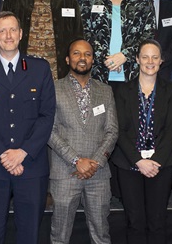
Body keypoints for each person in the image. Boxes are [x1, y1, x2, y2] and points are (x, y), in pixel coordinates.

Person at [0, 11, 56, 244]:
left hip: (31, 164)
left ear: (21, 34)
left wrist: (22, 152)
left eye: (12, 30)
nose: (8, 35)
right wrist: (4, 155)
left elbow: (47, 115)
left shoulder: (40, 69)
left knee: (29, 234)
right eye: (2, 30)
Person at [48, 39, 118, 244]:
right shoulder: (54, 88)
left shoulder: (105, 91)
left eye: (87, 54)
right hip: (64, 172)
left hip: (99, 174)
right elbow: (49, 131)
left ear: (93, 60)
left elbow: (112, 131)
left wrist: (94, 162)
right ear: (68, 59)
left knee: (101, 235)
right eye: (77, 54)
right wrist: (76, 160)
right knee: (59, 235)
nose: (82, 58)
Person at [110, 40, 172, 244]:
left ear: (161, 61)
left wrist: (155, 161)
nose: (150, 61)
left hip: (161, 164)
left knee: (157, 221)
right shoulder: (123, 91)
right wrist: (138, 160)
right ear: (137, 59)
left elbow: (171, 129)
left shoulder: (171, 90)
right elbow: (119, 131)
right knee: (134, 221)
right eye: (145, 57)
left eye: (155, 57)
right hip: (129, 164)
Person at [79, 0, 156, 86]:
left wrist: (124, 56)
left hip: (132, 73)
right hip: (99, 72)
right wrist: (108, 59)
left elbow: (148, 34)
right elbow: (84, 31)